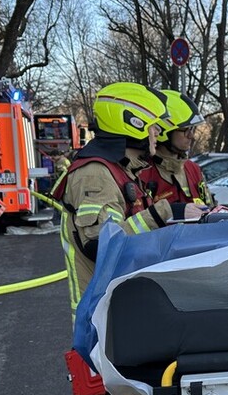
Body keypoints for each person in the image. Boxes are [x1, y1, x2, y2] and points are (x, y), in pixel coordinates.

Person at [52, 82, 204, 323]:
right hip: (99, 312)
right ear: (133, 125)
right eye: (153, 127)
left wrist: (175, 215)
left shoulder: (123, 169)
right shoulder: (95, 174)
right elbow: (101, 244)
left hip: (116, 299)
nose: (158, 133)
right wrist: (162, 213)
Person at [138, 90, 213, 211]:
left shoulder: (194, 169)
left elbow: (210, 207)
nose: (191, 136)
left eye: (192, 129)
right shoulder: (143, 172)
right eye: (185, 130)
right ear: (163, 131)